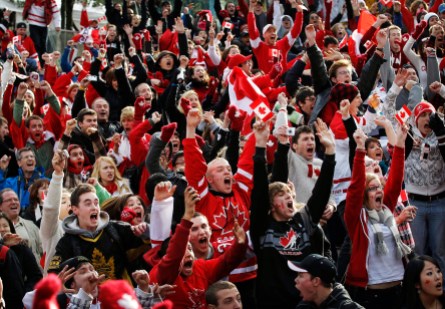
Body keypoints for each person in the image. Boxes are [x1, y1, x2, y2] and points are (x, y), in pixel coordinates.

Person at [250, 118, 336, 309]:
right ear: (272, 205)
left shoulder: (302, 222)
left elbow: (320, 194)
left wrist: (330, 154)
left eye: (290, 193)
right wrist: (261, 146)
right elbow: (260, 192)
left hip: (304, 305)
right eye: (282, 195)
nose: (289, 197)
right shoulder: (263, 226)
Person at [149, 186, 248, 308]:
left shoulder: (200, 267)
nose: (188, 254)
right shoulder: (162, 273)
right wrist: (187, 216)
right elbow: (174, 256)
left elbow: (227, 262)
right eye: (183, 251)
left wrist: (240, 244)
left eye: (189, 249)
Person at [344, 127, 411, 309]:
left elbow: (396, 179)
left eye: (379, 187)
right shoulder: (356, 218)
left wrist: (400, 143)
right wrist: (359, 149)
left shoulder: (387, 209)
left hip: (399, 288)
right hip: (370, 294)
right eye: (372, 188)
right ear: (364, 195)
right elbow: (355, 188)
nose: (379, 190)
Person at [49, 182, 149, 281]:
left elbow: (151, 240)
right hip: (90, 296)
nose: (94, 207)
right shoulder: (67, 242)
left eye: (96, 203)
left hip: (122, 294)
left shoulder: (116, 229)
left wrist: (145, 231)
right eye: (88, 204)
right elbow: (53, 274)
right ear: (75, 209)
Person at [288, 254, 364, 309]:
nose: (296, 280)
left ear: (316, 281)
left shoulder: (347, 307)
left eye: (301, 276)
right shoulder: (305, 305)